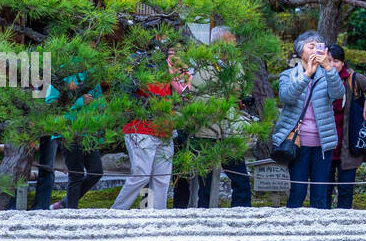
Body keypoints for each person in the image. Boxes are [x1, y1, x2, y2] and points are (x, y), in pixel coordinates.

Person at [173, 27, 254, 209]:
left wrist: (241, 99)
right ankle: (204, 219)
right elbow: (197, 96)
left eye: (234, 41)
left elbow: (241, 91)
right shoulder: (204, 66)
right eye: (229, 41)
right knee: (206, 185)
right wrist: (226, 97)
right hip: (206, 131)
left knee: (241, 179)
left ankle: (242, 217)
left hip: (230, 131)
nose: (233, 45)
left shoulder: (237, 65)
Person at [272, 31, 345, 209]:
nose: (314, 49)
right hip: (297, 143)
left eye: (318, 46)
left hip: (322, 143)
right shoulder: (288, 75)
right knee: (298, 191)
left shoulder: (328, 74)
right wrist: (306, 75)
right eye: (310, 46)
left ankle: (320, 234)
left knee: (320, 195)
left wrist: (328, 68)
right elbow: (287, 97)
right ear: (300, 50)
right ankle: (291, 232)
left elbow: (338, 94)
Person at [111, 47, 190, 210]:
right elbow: (126, 95)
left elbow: (183, 94)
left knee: (162, 178)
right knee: (141, 174)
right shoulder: (140, 64)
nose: (178, 56)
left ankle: (153, 216)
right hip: (141, 127)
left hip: (165, 129)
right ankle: (117, 211)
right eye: (173, 52)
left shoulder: (172, 74)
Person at [37, 71, 105, 210]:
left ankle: (64, 204)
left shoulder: (92, 75)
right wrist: (79, 103)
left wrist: (101, 131)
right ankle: (70, 211)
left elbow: (100, 105)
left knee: (96, 171)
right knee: (76, 175)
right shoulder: (62, 75)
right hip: (67, 130)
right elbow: (52, 105)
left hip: (88, 131)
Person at [327, 44, 366, 210]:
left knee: (345, 190)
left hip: (348, 144)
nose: (332, 64)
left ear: (343, 62)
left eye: (336, 61)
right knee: (323, 189)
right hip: (326, 144)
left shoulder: (353, 78)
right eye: (329, 60)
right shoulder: (320, 78)